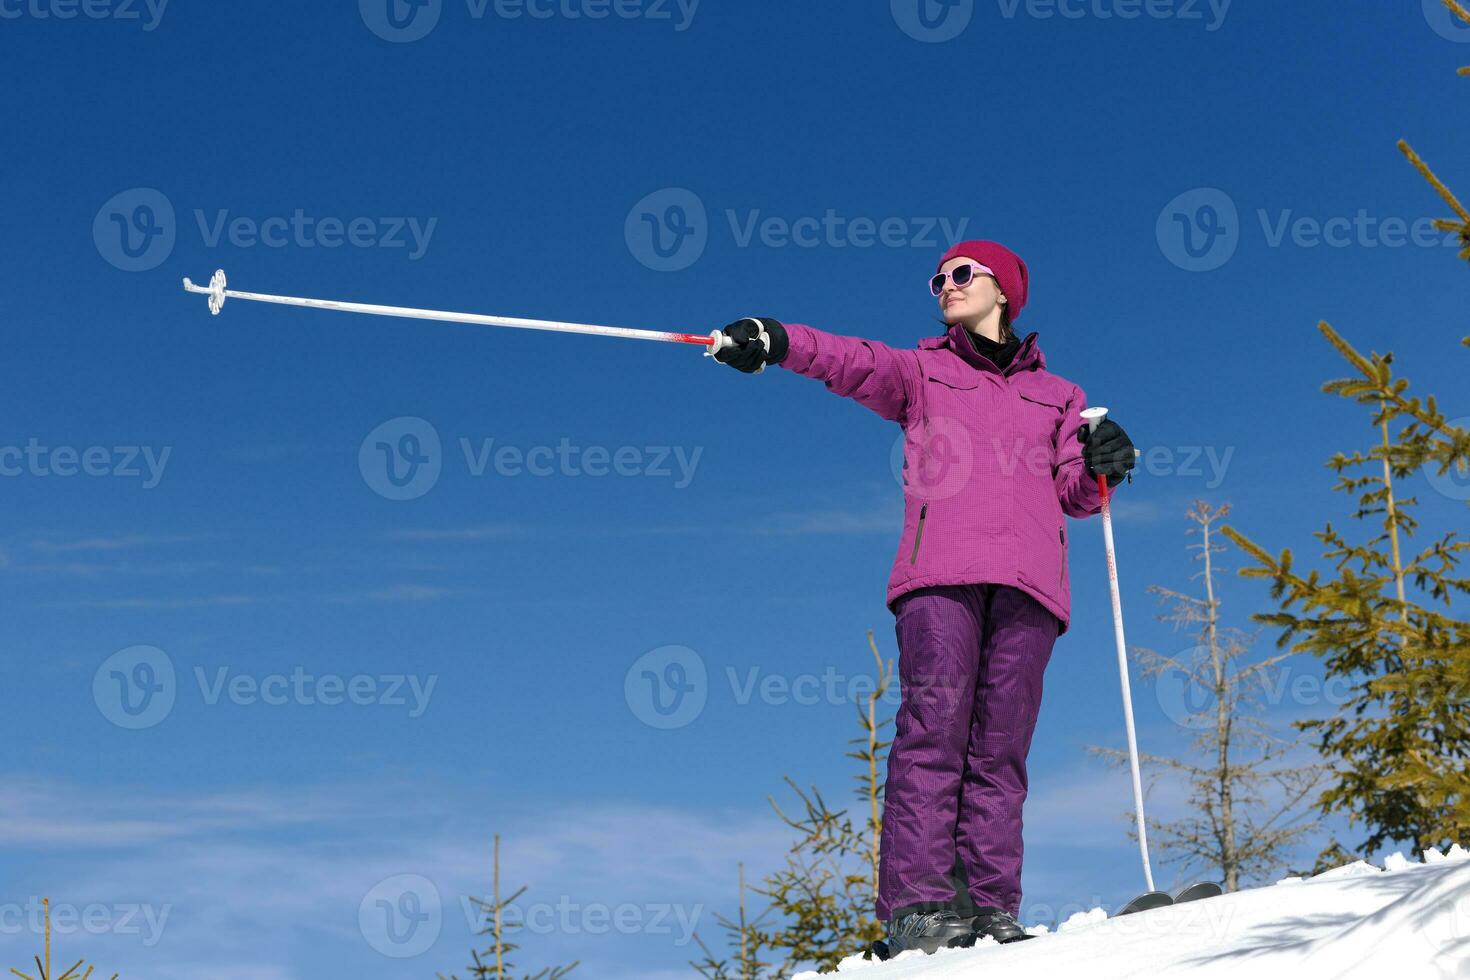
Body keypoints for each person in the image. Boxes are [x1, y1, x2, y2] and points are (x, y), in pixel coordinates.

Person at [713, 240, 1136, 956]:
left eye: (961, 273)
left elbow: (1076, 495)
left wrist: (1107, 465)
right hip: (939, 574)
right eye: (937, 277)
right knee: (934, 731)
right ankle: (920, 907)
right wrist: (778, 341)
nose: (944, 284)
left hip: (1031, 586)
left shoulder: (1059, 395)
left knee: (1001, 752)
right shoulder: (920, 372)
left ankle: (990, 907)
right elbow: (846, 360)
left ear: (1004, 290)